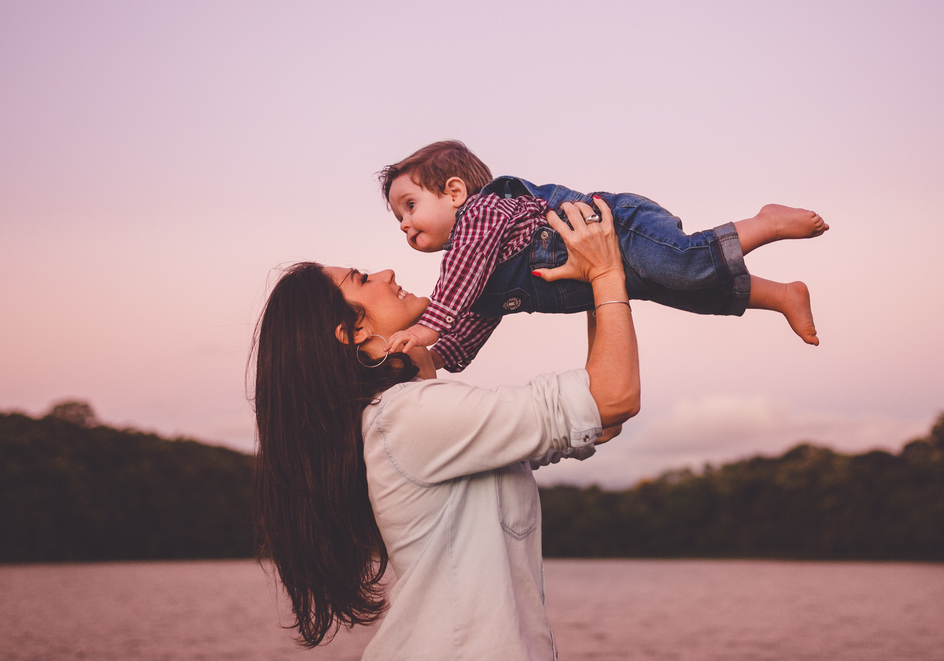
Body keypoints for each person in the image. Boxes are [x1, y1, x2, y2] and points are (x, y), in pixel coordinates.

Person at [253, 198, 640, 660]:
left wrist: (592, 286)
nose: (387, 274)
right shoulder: (406, 416)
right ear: (351, 330)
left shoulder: (409, 419)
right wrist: (606, 274)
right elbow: (611, 398)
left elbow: (602, 418)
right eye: (361, 279)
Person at [378, 140, 829, 372]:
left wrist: (426, 329)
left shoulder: (482, 213)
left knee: (684, 264)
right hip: (606, 271)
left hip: (617, 226)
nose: (403, 223)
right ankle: (781, 294)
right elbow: (476, 318)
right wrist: (440, 357)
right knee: (685, 290)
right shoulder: (475, 281)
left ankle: (764, 223)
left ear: (454, 192)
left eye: (410, 206)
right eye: (398, 216)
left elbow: (456, 284)